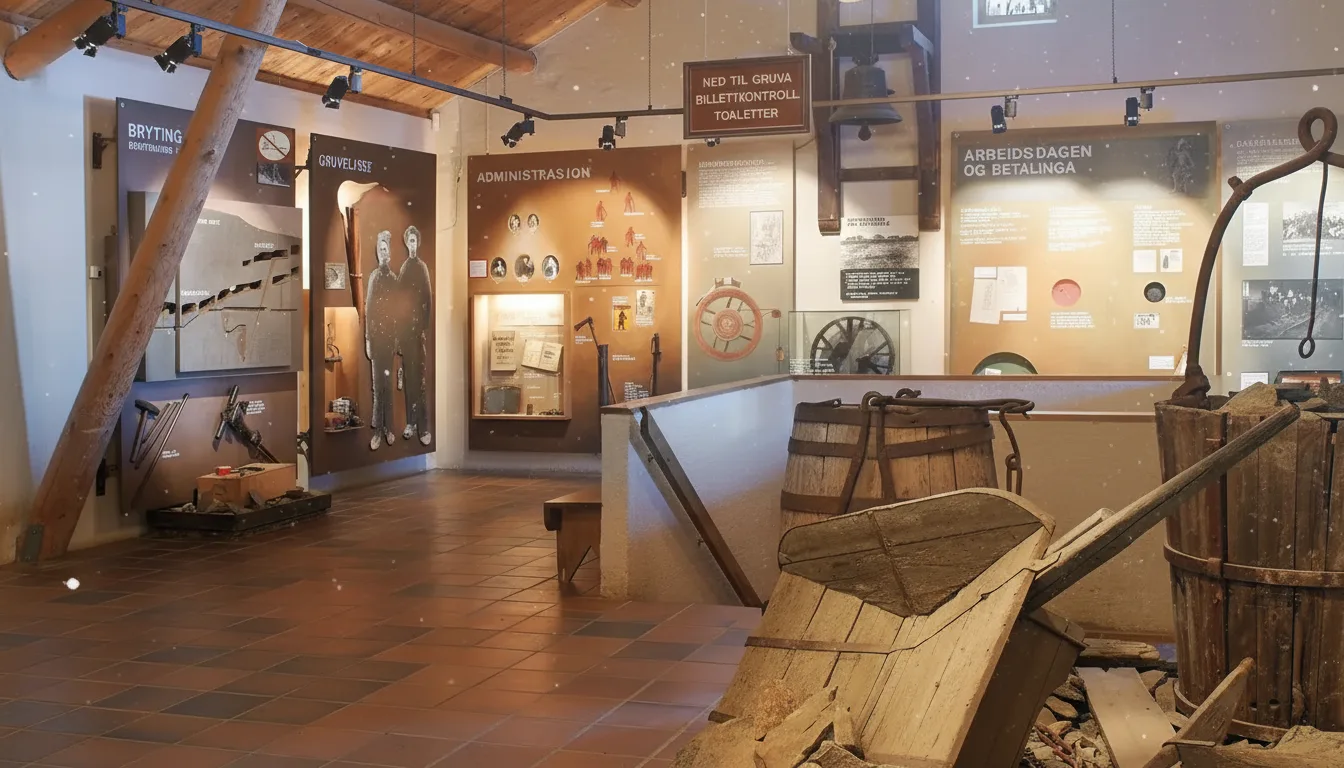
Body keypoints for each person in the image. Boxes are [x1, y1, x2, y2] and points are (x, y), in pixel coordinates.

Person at [398, 226, 432, 447]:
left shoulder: (421, 267)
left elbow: (427, 299)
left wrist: (422, 327)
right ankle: (410, 423)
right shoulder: (404, 268)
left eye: (414, 241)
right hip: (406, 333)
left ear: (417, 243)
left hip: (418, 332)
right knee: (409, 379)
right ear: (406, 243)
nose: (411, 245)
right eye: (409, 241)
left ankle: (423, 426)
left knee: (419, 381)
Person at [365, 230, 399, 451]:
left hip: (389, 340)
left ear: (389, 252)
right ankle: (378, 429)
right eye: (380, 249)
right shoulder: (374, 277)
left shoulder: (394, 279)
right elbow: (369, 309)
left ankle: (389, 427)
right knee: (378, 387)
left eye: (385, 249)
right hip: (377, 340)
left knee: (388, 384)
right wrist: (368, 339)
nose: (383, 253)